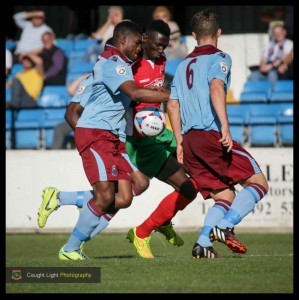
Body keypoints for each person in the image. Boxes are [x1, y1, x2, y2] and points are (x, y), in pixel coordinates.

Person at [39, 20, 170, 260]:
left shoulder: (120, 65)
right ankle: (70, 248)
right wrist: (173, 95)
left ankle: (63, 198)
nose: (140, 48)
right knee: (106, 197)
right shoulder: (113, 64)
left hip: (114, 138)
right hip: (98, 135)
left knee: (135, 187)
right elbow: (133, 93)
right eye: (138, 43)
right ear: (123, 40)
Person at [167, 9, 269, 258]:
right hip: (210, 134)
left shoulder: (181, 66)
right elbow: (215, 87)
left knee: (224, 194)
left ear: (193, 36)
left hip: (190, 141)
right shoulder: (219, 57)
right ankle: (225, 227)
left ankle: (203, 243)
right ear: (219, 33)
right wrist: (224, 125)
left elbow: (171, 105)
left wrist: (179, 142)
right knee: (258, 183)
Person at [125, 19, 198, 258]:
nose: (161, 50)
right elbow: (128, 98)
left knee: (196, 174)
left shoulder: (161, 61)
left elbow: (160, 98)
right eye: (157, 45)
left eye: (164, 46)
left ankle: (163, 220)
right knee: (188, 188)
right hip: (142, 140)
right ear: (144, 39)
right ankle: (142, 233)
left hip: (162, 133)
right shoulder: (130, 65)